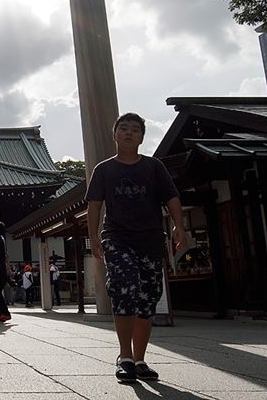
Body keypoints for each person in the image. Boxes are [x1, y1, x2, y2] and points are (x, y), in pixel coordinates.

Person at [86, 112, 184, 384]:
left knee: (148, 297)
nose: (129, 133)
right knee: (125, 287)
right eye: (124, 128)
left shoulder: (154, 167)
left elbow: (172, 198)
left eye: (135, 130)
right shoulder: (104, 170)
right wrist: (93, 236)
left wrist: (179, 226)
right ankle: (125, 356)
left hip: (151, 239)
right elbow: (94, 204)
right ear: (115, 134)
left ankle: (140, 359)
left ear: (142, 137)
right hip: (117, 238)